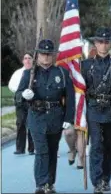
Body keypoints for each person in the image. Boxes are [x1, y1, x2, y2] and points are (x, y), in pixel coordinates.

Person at [15, 39, 75, 194]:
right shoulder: (29, 73)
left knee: (52, 151)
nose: (46, 57)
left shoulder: (61, 73)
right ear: (38, 55)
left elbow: (69, 98)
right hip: (37, 116)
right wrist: (24, 94)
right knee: (41, 151)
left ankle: (50, 183)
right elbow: (17, 95)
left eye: (49, 54)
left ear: (53, 55)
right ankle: (41, 184)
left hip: (55, 116)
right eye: (43, 54)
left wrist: (68, 119)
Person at [81, 27, 111, 193]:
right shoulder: (86, 65)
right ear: (95, 43)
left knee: (110, 146)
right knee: (96, 145)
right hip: (94, 109)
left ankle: (106, 179)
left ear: (110, 44)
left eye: (106, 42)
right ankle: (97, 181)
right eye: (100, 42)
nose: (103, 45)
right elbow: (81, 91)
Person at [8, 52, 35, 155]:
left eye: (29, 58)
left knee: (31, 124)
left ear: (33, 60)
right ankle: (20, 148)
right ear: (23, 61)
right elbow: (11, 85)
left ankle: (32, 148)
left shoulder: (35, 72)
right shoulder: (18, 73)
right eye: (25, 58)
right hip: (20, 102)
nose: (27, 60)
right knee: (20, 124)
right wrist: (22, 93)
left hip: (32, 102)